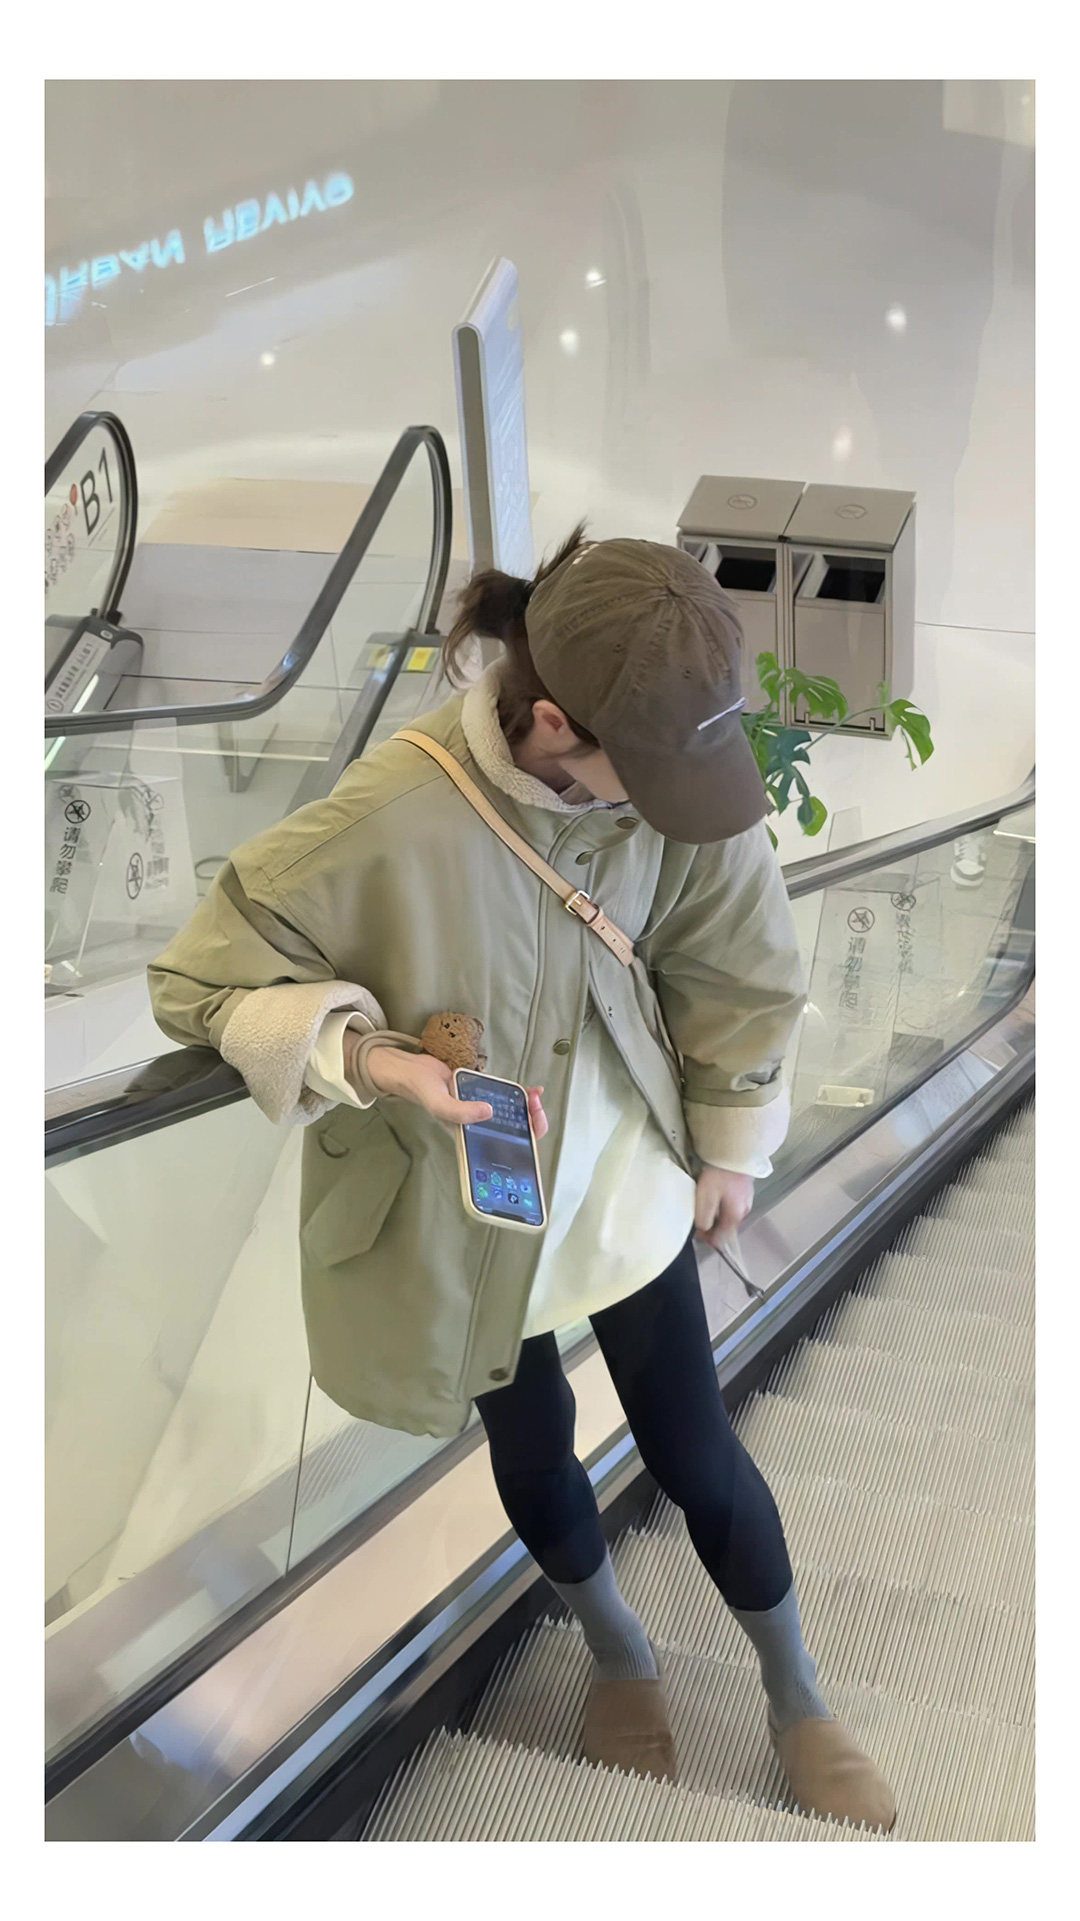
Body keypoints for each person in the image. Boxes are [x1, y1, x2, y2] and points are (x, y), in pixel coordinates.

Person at [148, 529, 895, 1830]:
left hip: (627, 1191)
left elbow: (740, 960)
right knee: (533, 1445)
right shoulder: (391, 812)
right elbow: (201, 980)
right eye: (640, 775)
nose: (671, 802)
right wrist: (373, 1057)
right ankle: (618, 1652)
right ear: (552, 722)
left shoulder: (671, 778)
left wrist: (733, 1142)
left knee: (697, 1448)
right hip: (475, 1212)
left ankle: (799, 1693)